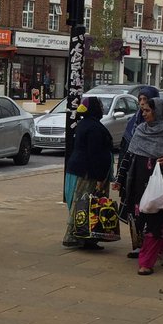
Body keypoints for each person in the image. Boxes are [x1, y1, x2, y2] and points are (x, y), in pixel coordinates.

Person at [115, 97, 163, 274]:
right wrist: (119, 180)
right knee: (141, 220)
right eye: (143, 111)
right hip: (139, 184)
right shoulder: (141, 130)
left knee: (155, 221)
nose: (144, 114)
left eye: (148, 111)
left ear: (158, 111)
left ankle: (146, 263)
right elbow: (130, 155)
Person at [62, 97, 116, 251]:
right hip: (88, 173)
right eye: (99, 105)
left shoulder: (84, 125)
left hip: (80, 169)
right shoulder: (94, 128)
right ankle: (74, 236)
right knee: (86, 203)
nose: (101, 107)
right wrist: (99, 178)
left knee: (84, 203)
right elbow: (95, 154)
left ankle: (87, 237)